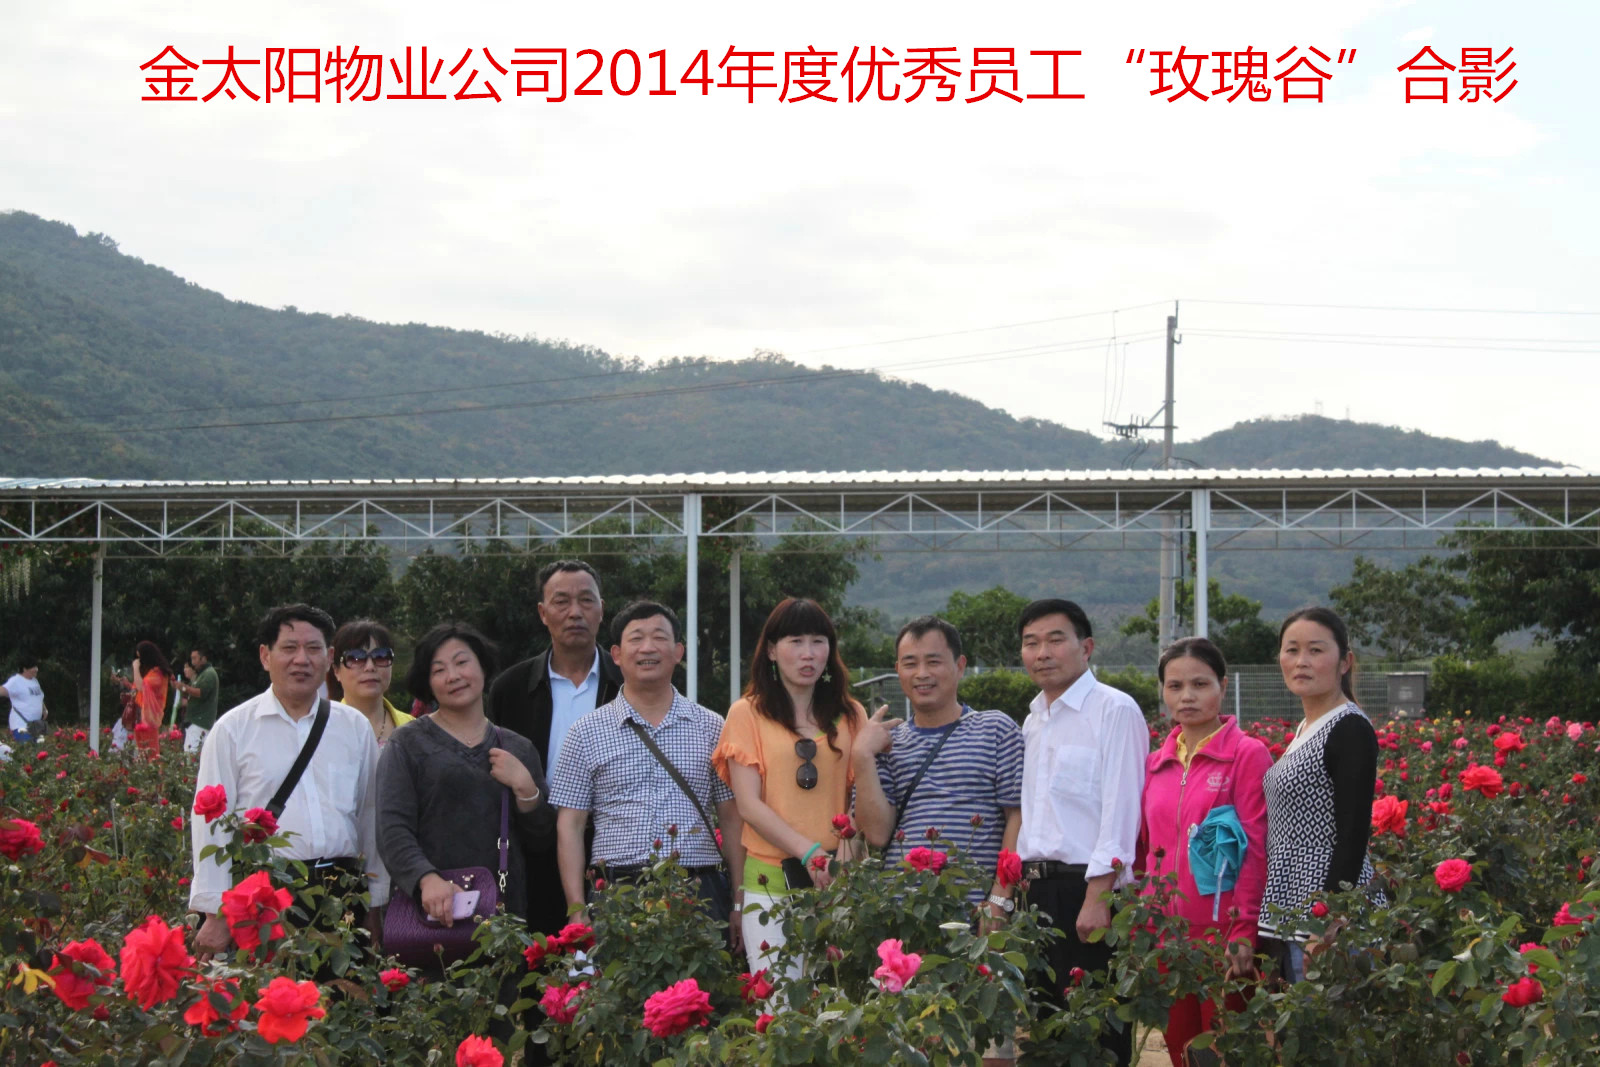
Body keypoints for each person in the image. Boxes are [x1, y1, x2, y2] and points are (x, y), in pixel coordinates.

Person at [189, 604, 391, 959]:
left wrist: (375, 902)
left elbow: (369, 816)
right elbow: (210, 825)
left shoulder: (353, 728)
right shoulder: (233, 730)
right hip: (265, 898)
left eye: (313, 649)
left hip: (341, 893)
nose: (302, 659)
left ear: (329, 657)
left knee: (344, 991)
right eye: (289, 648)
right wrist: (215, 911)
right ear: (265, 656)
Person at [550, 601, 743, 942]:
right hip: (617, 892)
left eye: (659, 637)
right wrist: (577, 909)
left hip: (698, 890)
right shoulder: (585, 733)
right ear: (616, 655)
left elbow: (731, 818)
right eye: (636, 638)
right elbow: (570, 826)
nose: (648, 648)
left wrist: (739, 902)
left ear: (678, 651)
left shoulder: (712, 726)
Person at [1015, 598, 1145, 1067]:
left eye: (1055, 640)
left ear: (1085, 647)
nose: (1042, 653)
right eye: (1031, 643)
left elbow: (1121, 807)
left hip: (1086, 892)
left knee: (1096, 1035)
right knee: (1046, 1033)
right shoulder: (1033, 720)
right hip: (1036, 895)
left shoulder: (1114, 709)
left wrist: (1099, 895)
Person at [1139, 637, 1271, 1067]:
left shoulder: (1246, 755)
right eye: (1175, 686)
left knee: (1224, 1054)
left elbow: (1255, 849)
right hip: (1166, 939)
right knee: (1182, 1053)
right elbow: (1146, 852)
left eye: (1200, 684)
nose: (1187, 696)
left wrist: (1243, 929)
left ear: (1222, 686)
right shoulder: (1155, 763)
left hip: (1223, 938)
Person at [713, 597, 864, 974]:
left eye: (818, 641)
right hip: (769, 884)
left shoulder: (851, 714)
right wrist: (810, 854)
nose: (808, 653)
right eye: (795, 641)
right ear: (771, 650)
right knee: (779, 1000)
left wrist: (841, 867)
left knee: (837, 999)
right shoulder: (746, 713)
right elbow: (749, 805)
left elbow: (859, 799)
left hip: (837, 882)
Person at [377, 622, 554, 934]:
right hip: (432, 914)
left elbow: (542, 840)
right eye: (439, 669)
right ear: (428, 682)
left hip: (504, 919)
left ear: (483, 666)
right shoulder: (407, 743)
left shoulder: (518, 748)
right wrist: (425, 879)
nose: (453, 676)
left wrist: (527, 790)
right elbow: (392, 828)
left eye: (462, 662)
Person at [852, 616, 1024, 922]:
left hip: (975, 914)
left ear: (960, 666)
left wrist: (999, 901)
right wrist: (862, 755)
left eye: (933, 662)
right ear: (898, 670)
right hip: (902, 915)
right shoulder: (888, 744)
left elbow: (1018, 818)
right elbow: (876, 835)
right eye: (910, 664)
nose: (922, 674)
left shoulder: (996, 729)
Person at [489, 560, 621, 943]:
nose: (575, 612)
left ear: (601, 609)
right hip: (533, 853)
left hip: (614, 854)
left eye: (586, 600)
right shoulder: (510, 689)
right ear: (542, 613)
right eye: (561, 602)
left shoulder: (627, 683)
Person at [1260, 606, 1381, 984]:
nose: (1301, 661)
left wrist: (1327, 919)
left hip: (1326, 914)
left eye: (1315, 650)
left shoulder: (1349, 728)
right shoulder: (1307, 727)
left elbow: (1353, 833)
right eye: (1292, 650)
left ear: (1345, 662)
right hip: (1295, 902)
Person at [328, 620, 413, 746]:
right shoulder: (322, 729)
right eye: (356, 658)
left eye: (380, 656)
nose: (370, 667)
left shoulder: (413, 727)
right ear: (336, 671)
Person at [132, 641, 173, 758]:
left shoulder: (158, 673)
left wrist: (135, 667)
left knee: (151, 755)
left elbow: (141, 686)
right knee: (142, 755)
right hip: (141, 717)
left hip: (150, 719)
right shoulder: (151, 672)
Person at [176, 646, 220, 754]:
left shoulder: (209, 674)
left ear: (203, 658)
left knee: (191, 756)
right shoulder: (202, 674)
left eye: (195, 658)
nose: (193, 662)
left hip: (199, 723)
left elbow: (200, 693)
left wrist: (183, 687)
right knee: (193, 755)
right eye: (192, 659)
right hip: (197, 722)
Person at [3, 659, 47, 742]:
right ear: (24, 669)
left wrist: (44, 709)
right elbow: (3, 690)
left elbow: (38, 697)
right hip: (21, 725)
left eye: (36, 667)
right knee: (28, 748)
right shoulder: (15, 681)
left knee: (38, 749)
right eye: (33, 667)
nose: (36, 669)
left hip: (36, 726)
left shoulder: (34, 681)